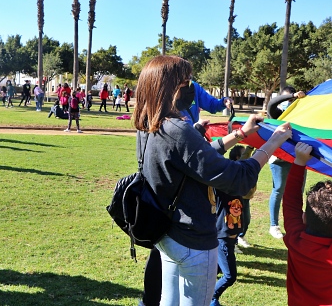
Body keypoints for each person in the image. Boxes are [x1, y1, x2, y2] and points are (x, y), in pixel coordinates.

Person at [133, 55, 291, 306]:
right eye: (187, 82)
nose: (192, 88)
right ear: (172, 86)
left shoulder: (149, 124)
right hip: (193, 240)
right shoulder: (178, 129)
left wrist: (240, 134)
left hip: (167, 235)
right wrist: (272, 143)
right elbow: (237, 178)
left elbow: (197, 160)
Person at [140, 75, 233, 306]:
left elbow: (213, 104)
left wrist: (224, 105)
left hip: (170, 219)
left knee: (165, 261)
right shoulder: (167, 126)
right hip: (178, 221)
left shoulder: (173, 116)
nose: (188, 87)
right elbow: (232, 176)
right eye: (182, 82)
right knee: (161, 258)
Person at [283, 142, 332, 306]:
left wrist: (299, 162)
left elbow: (290, 202)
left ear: (304, 218)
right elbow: (291, 203)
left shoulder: (296, 240)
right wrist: (299, 162)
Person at [209, 145, 256, 306]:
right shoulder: (221, 189)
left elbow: (247, 171)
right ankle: (212, 297)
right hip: (223, 239)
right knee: (230, 276)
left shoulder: (240, 188)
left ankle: (205, 294)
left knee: (216, 270)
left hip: (230, 239)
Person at [267, 86, 306, 239]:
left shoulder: (300, 115)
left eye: (291, 100)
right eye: (286, 99)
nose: (288, 102)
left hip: (298, 158)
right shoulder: (276, 113)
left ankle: (297, 222)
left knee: (297, 192)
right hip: (279, 159)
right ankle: (273, 225)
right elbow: (272, 103)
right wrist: (292, 95)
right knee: (278, 190)